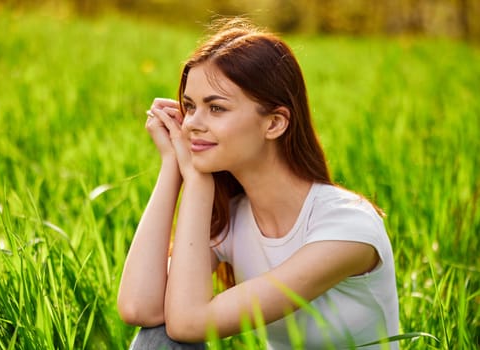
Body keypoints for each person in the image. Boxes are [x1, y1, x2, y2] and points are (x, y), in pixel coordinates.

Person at [117, 18, 399, 350]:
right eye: (190, 107)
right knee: (156, 337)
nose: (191, 124)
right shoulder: (234, 217)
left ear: (275, 123)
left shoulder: (347, 228)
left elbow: (188, 322)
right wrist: (172, 168)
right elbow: (140, 307)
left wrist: (195, 180)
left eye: (216, 108)